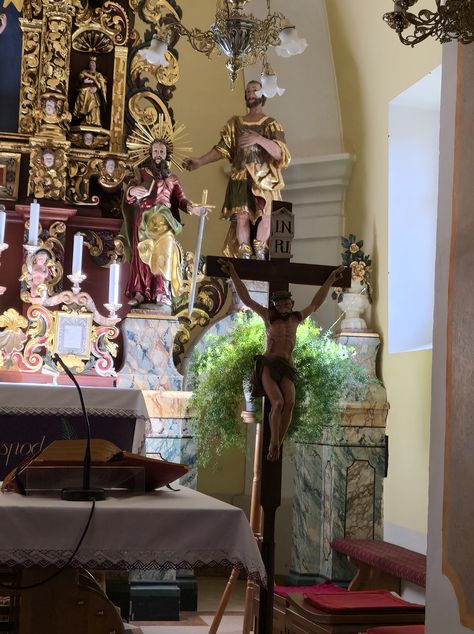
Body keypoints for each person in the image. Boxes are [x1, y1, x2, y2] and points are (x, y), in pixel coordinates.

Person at [218, 258, 345, 461]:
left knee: (290, 402)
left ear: (291, 304)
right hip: (269, 365)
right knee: (277, 403)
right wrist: (233, 273)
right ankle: (273, 442)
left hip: (287, 366)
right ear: (274, 306)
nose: (284, 307)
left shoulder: (296, 318)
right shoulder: (268, 316)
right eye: (280, 305)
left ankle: (278, 442)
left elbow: (315, 303)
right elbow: (248, 300)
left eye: (287, 304)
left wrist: (330, 279)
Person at [183, 80, 290, 260]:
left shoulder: (271, 124)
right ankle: (244, 253)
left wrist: (258, 139)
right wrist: (200, 161)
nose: (250, 94)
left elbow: (281, 153)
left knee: (267, 213)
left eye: (254, 90)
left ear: (263, 94)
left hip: (265, 177)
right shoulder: (235, 123)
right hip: (240, 175)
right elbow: (222, 149)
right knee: (241, 216)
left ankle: (261, 251)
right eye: (247, 91)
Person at [121, 139, 208, 307]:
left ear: (167, 155)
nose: (158, 155)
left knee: (165, 252)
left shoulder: (173, 179)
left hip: (165, 221)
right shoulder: (141, 174)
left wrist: (193, 209)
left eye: (162, 152)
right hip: (144, 220)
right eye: (156, 151)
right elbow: (129, 193)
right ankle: (140, 292)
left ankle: (162, 291)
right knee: (143, 254)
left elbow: (181, 200)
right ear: (150, 153)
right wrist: (132, 191)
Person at [73, 56, 107, 127]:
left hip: (93, 92)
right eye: (90, 63)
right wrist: (83, 80)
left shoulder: (98, 74)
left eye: (93, 63)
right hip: (84, 90)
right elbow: (80, 78)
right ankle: (85, 120)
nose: (92, 64)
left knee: (93, 103)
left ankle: (94, 121)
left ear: (96, 65)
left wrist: (96, 88)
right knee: (83, 94)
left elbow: (102, 85)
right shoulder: (85, 72)